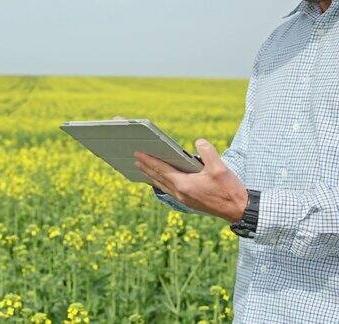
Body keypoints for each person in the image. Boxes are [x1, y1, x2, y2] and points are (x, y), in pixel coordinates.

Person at [133, 0, 339, 322]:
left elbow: (242, 200)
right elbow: (247, 158)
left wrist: (246, 208)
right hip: (255, 309)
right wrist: (178, 177)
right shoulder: (281, 39)